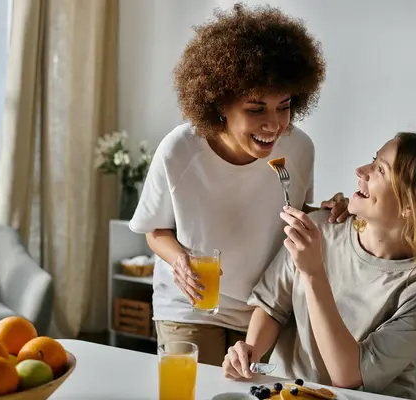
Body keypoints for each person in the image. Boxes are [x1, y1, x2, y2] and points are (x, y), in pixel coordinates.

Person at [128, 3, 349, 367]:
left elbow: (293, 212)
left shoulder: (299, 148)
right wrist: (180, 261)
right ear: (219, 102)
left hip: (265, 308)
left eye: (284, 106)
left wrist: (329, 211)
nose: (274, 124)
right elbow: (155, 230)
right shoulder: (180, 150)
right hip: (192, 306)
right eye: (256, 108)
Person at [222, 132, 416, 400]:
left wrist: (313, 273)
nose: (360, 171)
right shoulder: (321, 228)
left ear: (411, 205)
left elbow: (348, 376)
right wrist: (249, 351)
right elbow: (271, 307)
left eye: (380, 169)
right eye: (373, 160)